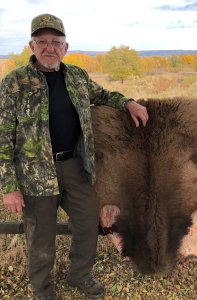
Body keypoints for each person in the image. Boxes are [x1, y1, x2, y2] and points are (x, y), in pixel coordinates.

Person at [0, 13, 148, 300]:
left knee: (87, 224)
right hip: (34, 175)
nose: (49, 48)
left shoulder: (77, 76)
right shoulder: (15, 82)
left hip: (74, 168)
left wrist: (127, 102)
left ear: (65, 47)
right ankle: (43, 291)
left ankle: (79, 276)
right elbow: (3, 137)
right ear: (32, 46)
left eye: (56, 42)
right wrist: (8, 187)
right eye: (42, 41)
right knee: (40, 238)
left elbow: (103, 95)